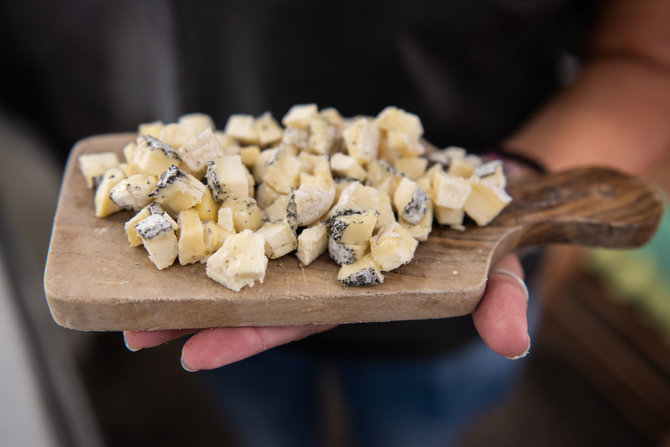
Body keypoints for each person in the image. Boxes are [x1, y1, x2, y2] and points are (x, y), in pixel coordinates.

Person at [3, 0, 669, 445]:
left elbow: (650, 60)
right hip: (221, 299)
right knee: (262, 420)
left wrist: (517, 177)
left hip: (444, 318)